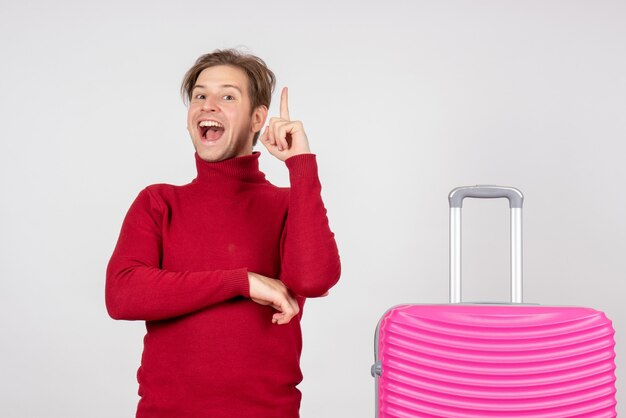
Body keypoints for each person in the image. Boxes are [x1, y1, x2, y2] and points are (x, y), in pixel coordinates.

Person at [105, 49, 341, 418]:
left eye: (227, 96)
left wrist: (301, 165)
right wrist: (240, 282)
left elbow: (314, 279)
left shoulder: (287, 205)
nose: (208, 105)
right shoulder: (158, 203)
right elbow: (122, 294)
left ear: (257, 118)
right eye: (200, 96)